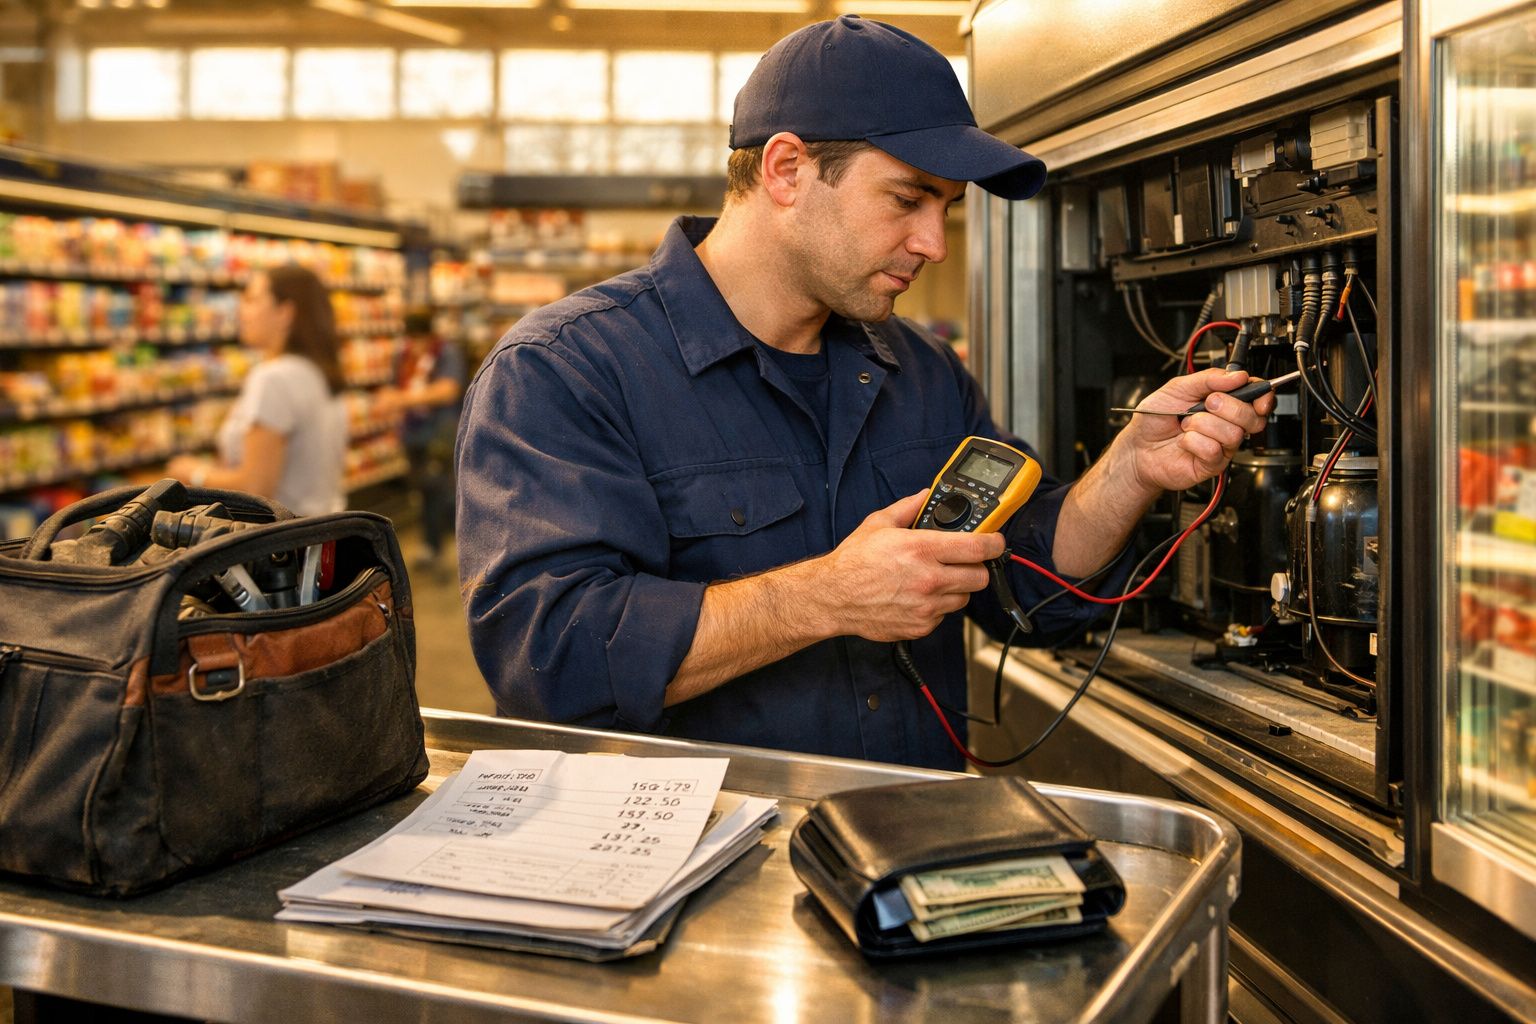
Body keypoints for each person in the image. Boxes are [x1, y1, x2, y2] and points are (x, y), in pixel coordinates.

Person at [455, 15, 1273, 770]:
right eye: (908, 199)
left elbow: (1029, 589)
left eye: (946, 210)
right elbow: (549, 661)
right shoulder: (566, 370)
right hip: (690, 889)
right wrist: (825, 597)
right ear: (786, 170)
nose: (933, 244)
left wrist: (1129, 473)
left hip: (906, 853)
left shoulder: (918, 371)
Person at [168, 263, 347, 516]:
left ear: (285, 312)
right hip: (319, 535)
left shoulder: (274, 378)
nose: (241, 310)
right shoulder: (318, 372)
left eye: (252, 299)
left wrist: (192, 472)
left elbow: (257, 488)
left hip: (277, 544)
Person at [377, 310, 465, 572]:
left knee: (442, 491)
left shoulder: (447, 353)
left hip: (440, 435)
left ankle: (452, 549)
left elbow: (448, 390)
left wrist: (402, 400)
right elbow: (396, 388)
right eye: (410, 339)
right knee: (424, 492)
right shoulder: (401, 356)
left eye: (419, 338)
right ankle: (432, 546)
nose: (415, 345)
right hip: (413, 434)